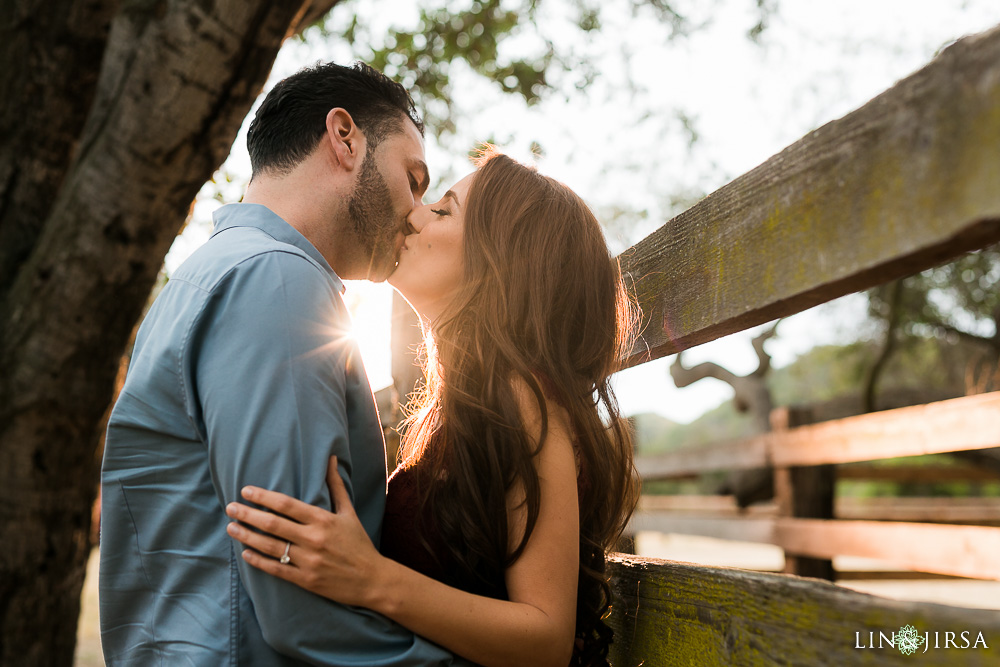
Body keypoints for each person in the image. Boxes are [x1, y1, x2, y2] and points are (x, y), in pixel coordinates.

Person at [100, 62, 468, 665]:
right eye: (414, 178)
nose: (415, 211)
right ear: (344, 137)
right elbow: (304, 609)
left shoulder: (207, 276)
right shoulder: (276, 280)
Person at [224, 150, 641, 667]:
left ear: (502, 261)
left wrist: (371, 579)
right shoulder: (463, 406)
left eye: (443, 210)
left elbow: (546, 639)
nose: (415, 213)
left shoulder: (523, 403)